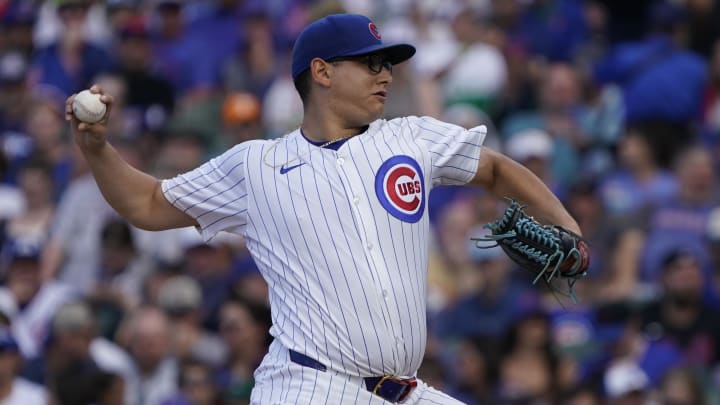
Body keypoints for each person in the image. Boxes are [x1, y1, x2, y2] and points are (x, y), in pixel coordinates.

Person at [65, 13, 584, 405]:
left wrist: (568, 231)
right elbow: (147, 203)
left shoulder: (409, 137)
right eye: (370, 63)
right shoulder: (257, 165)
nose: (385, 74)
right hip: (308, 385)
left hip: (402, 391)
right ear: (322, 72)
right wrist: (97, 149)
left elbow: (495, 169)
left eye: (387, 63)